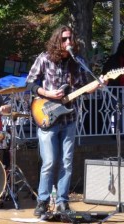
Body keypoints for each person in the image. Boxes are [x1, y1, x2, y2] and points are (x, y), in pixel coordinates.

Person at [25, 25, 107, 217]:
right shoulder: (44, 58)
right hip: (47, 116)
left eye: (70, 38)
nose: (68, 42)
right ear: (57, 41)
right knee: (49, 162)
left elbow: (84, 88)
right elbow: (29, 82)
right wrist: (47, 93)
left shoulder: (77, 62)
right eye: (64, 39)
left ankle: (62, 202)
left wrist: (97, 84)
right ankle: (43, 201)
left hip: (69, 118)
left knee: (67, 162)